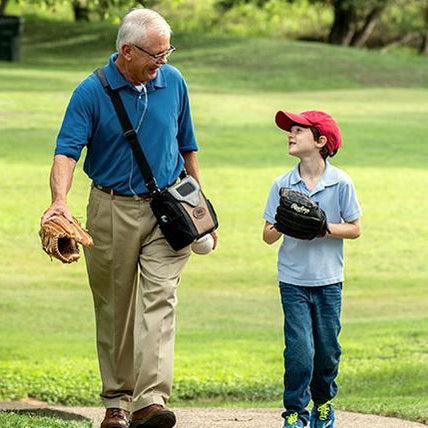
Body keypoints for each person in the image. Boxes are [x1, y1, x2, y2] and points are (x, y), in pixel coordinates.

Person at [41, 7, 216, 428]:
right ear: (127, 51)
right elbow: (67, 151)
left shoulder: (173, 81)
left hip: (168, 210)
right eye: (156, 55)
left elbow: (187, 143)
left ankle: (149, 401)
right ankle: (117, 403)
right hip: (111, 208)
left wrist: (200, 206)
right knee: (115, 307)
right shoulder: (90, 92)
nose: (163, 63)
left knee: (160, 299)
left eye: (167, 52)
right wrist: (59, 201)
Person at [262, 110, 362, 428]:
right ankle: (294, 410)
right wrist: (282, 222)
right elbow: (267, 236)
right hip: (292, 280)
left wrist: (322, 227)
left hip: (329, 280)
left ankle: (323, 403)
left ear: (320, 142)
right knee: (300, 350)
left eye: (297, 130)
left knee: (328, 350)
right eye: (289, 131)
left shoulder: (341, 182)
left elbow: (355, 228)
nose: (290, 135)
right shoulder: (282, 184)